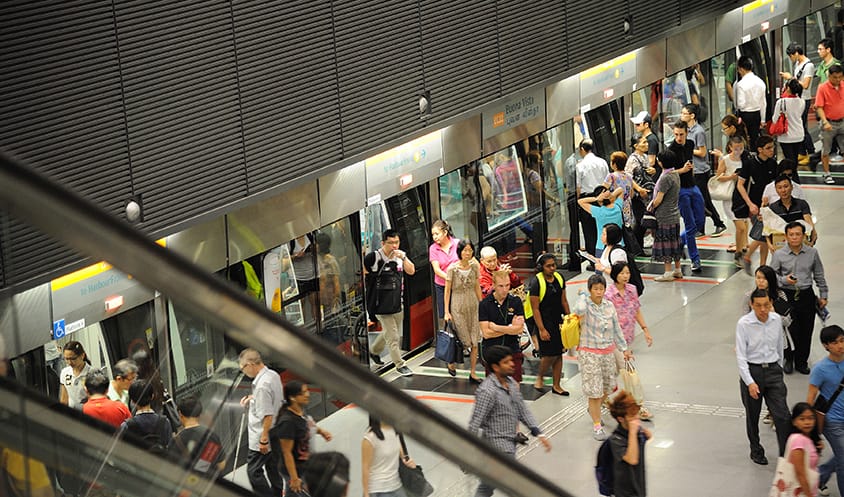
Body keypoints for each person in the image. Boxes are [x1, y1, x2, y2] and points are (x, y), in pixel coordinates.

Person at [468, 345, 551, 497]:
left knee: (487, 486)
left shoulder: (511, 384)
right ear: (495, 367)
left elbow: (522, 410)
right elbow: (475, 422)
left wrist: (538, 433)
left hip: (509, 445)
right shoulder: (487, 391)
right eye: (506, 362)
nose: (512, 364)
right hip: (496, 449)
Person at [735, 289, 791, 465]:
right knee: (753, 415)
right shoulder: (744, 324)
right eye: (758, 306)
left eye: (766, 305)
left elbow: (780, 346)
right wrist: (750, 382)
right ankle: (756, 450)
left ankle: (785, 454)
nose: (763, 309)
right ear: (752, 305)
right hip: (753, 372)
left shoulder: (775, 320)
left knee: (782, 415)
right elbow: (741, 357)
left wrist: (779, 370)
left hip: (773, 371)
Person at [573, 274, 631, 440]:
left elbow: (616, 329)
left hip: (607, 352)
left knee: (608, 387)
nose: (599, 292)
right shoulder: (585, 304)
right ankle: (597, 425)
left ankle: (593, 409)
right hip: (589, 352)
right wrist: (583, 296)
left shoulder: (609, 306)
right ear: (590, 290)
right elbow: (579, 311)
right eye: (595, 289)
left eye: (601, 289)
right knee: (595, 391)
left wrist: (624, 348)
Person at [770, 222, 829, 375]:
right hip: (786, 295)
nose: (795, 237)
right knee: (789, 329)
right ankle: (788, 359)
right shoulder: (779, 255)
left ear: (804, 236)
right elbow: (771, 276)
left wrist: (823, 295)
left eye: (798, 234)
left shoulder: (812, 253)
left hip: (806, 295)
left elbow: (819, 275)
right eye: (791, 235)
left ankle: (801, 361)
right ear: (786, 237)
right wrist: (784, 280)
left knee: (806, 328)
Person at [365, 229, 416, 375]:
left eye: (396, 242)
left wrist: (404, 257)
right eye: (391, 243)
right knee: (393, 336)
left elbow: (411, 271)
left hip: (397, 302)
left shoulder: (400, 257)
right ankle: (400, 365)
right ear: (383, 243)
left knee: (389, 332)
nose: (394, 246)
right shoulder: (373, 257)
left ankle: (374, 351)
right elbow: (364, 274)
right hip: (380, 304)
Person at [606, 262, 653, 419]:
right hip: (614, 342)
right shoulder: (609, 295)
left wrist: (645, 329)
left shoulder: (632, 290)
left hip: (627, 338)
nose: (625, 276)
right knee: (629, 374)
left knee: (614, 374)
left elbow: (636, 310)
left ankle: (601, 400)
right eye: (622, 273)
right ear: (615, 275)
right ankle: (638, 407)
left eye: (627, 273)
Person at [270, 381, 333, 497]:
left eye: (307, 391)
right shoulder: (287, 422)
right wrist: (294, 478)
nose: (308, 394)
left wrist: (321, 432)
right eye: (303, 392)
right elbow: (287, 452)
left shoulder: (300, 412)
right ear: (293, 398)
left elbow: (306, 425)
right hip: (295, 470)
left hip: (305, 467)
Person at [238, 348, 284, 497]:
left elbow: (267, 415)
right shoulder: (272, 375)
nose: (244, 372)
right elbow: (271, 400)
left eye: (242, 368)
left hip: (262, 436)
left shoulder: (262, 386)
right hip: (277, 430)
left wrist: (263, 439)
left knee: (253, 472)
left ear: (250, 364)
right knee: (273, 467)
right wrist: (253, 397)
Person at [526, 254, 570, 396]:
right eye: (548, 266)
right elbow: (535, 309)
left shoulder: (559, 278)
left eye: (554, 265)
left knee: (559, 353)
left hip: (557, 319)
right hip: (544, 321)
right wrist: (541, 329)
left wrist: (569, 318)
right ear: (541, 267)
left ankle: (557, 385)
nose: (552, 268)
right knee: (549, 355)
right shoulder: (536, 283)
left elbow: (564, 300)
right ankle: (541, 376)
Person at [682, 103, 727, 237]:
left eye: (684, 113)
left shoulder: (699, 131)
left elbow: (702, 153)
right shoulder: (687, 130)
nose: (682, 115)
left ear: (692, 116)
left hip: (700, 171)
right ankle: (711, 224)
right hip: (692, 170)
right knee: (701, 199)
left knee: (702, 200)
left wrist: (688, 149)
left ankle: (712, 225)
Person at [808, 325, 844, 496]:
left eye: (842, 340)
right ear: (826, 345)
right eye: (835, 342)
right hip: (832, 420)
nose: (841, 346)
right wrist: (810, 429)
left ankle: (821, 476)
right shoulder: (820, 369)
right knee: (843, 460)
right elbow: (811, 397)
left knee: (842, 455)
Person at [443, 239, 484, 382]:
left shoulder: (474, 267)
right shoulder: (452, 269)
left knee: (474, 341)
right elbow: (447, 291)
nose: (468, 253)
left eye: (470, 250)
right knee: (462, 339)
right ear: (459, 251)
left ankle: (472, 372)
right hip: (458, 306)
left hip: (473, 305)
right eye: (465, 250)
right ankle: (451, 362)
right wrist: (447, 312)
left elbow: (477, 286)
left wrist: (482, 304)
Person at [737, 135, 779, 271]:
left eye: (772, 147)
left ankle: (761, 265)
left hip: (770, 205)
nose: (771, 150)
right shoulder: (750, 163)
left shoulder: (773, 163)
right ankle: (751, 259)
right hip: (755, 205)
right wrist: (750, 204)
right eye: (768, 148)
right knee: (763, 234)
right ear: (760, 150)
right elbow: (740, 185)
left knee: (765, 236)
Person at [668, 120, 705, 272]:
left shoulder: (690, 144)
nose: (679, 137)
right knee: (690, 225)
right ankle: (695, 259)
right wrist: (682, 170)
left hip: (692, 185)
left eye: (681, 134)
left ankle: (680, 241)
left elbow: (690, 161)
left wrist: (690, 170)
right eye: (676, 134)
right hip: (681, 190)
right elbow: (668, 173)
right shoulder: (670, 150)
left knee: (700, 221)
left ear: (687, 133)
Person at [742, 265, 793, 372]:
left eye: (764, 278)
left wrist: (774, 314)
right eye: (758, 277)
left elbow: (787, 322)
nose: (760, 281)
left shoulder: (780, 296)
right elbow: (744, 321)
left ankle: (788, 359)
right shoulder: (749, 296)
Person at [479, 270, 527, 382]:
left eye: (507, 285)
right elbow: (486, 334)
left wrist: (496, 327)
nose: (505, 289)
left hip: (512, 349)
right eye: (501, 286)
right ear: (494, 285)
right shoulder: (485, 304)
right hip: (492, 351)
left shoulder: (515, 302)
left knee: (515, 385)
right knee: (494, 388)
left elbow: (519, 330)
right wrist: (510, 328)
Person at [607, 390, 652, 497]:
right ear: (621, 419)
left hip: (638, 485)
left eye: (636, 414)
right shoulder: (616, 439)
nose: (636, 418)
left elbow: (648, 436)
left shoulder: (636, 432)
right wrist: (633, 431)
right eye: (632, 416)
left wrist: (639, 430)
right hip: (624, 491)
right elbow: (632, 459)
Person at [170, 395, 227, 475]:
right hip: (209, 483)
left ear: (180, 413)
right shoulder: (211, 435)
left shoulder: (176, 440)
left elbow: (172, 470)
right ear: (199, 413)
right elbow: (221, 465)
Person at [649, 150, 684, 281]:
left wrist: (651, 207)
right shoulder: (675, 174)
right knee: (675, 242)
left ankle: (668, 272)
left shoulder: (665, 178)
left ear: (661, 162)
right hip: (674, 214)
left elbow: (658, 199)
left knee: (666, 244)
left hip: (664, 215)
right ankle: (678, 269)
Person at [775, 403, 821, 497]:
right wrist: (809, 495)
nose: (807, 422)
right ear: (794, 422)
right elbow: (800, 474)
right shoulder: (799, 441)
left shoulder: (805, 439)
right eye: (802, 419)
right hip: (800, 491)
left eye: (811, 418)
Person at [361, 416, 415, 497]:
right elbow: (365, 467)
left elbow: (402, 455)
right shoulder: (370, 438)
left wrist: (409, 462)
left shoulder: (395, 431)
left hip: (396, 485)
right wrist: (366, 493)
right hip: (378, 489)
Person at [780, 43, 816, 163]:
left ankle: (810, 152)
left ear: (796, 53)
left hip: (804, 99)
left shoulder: (808, 66)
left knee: (802, 127)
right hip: (797, 98)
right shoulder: (798, 64)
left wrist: (790, 78)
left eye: (791, 56)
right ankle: (802, 152)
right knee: (798, 125)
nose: (791, 59)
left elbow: (805, 85)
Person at [577, 139, 611, 260]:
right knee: (602, 228)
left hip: (587, 198)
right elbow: (608, 181)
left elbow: (578, 187)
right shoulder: (602, 162)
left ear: (582, 149)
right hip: (602, 196)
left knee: (589, 230)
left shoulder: (580, 165)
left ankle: (593, 259)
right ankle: (604, 255)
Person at [715, 135, 745, 263]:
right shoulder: (726, 160)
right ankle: (738, 253)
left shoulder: (745, 159)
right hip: (729, 196)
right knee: (741, 226)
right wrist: (731, 177)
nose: (738, 151)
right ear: (730, 148)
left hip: (742, 195)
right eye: (736, 148)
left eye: (741, 148)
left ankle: (742, 246)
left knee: (744, 223)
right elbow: (718, 177)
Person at [120, 379, 173, 453]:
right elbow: (170, 449)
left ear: (132, 401)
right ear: (152, 396)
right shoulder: (165, 422)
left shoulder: (126, 426)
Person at [626, 135, 660, 249]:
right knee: (641, 221)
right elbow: (628, 177)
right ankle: (636, 247)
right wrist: (639, 189)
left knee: (645, 221)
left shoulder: (645, 157)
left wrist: (653, 171)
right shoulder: (632, 159)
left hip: (647, 194)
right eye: (643, 143)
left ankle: (637, 247)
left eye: (647, 142)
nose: (647, 145)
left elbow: (647, 174)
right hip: (637, 195)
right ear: (636, 146)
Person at [603, 151, 647, 236]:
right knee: (625, 230)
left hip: (614, 206)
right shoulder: (629, 177)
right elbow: (631, 194)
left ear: (614, 164)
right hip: (627, 207)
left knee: (614, 230)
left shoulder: (611, 176)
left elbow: (603, 190)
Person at [766, 175, 817, 248]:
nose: (783, 190)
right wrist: (769, 244)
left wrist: (813, 234)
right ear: (776, 190)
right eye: (779, 188)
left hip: (801, 245)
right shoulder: (773, 208)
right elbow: (768, 228)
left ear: (792, 187)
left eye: (786, 186)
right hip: (781, 245)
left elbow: (808, 220)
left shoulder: (802, 204)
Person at [815, 63, 844, 184]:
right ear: (829, 76)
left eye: (840, 77)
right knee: (826, 150)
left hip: (842, 122)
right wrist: (825, 122)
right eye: (835, 77)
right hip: (828, 123)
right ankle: (827, 173)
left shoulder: (843, 85)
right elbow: (819, 107)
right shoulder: (822, 88)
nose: (838, 80)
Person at [577, 186, 624, 259]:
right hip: (619, 245)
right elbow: (620, 190)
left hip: (601, 246)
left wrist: (597, 198)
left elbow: (580, 201)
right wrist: (610, 196)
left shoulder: (598, 212)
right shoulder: (618, 207)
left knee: (601, 268)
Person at [429, 219, 459, 330]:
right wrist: (449, 278)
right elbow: (436, 270)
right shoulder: (433, 249)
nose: (435, 237)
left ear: (445, 232)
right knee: (445, 315)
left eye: (437, 234)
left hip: (458, 285)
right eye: (433, 235)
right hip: (442, 285)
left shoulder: (457, 244)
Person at [734, 55, 767, 149]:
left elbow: (741, 104)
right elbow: (763, 103)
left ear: (741, 69)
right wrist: (763, 119)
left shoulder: (740, 84)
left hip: (745, 115)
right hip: (757, 114)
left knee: (744, 138)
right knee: (754, 138)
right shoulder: (760, 82)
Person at [772, 78, 806, 165]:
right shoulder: (802, 101)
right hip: (799, 134)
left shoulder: (781, 102)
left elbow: (774, 119)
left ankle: (793, 177)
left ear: (788, 88)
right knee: (794, 158)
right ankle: (794, 176)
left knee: (789, 159)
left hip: (786, 136)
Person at [60, 341, 92, 409]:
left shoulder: (92, 373)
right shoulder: (65, 372)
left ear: (82, 356)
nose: (69, 362)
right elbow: (64, 398)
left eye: (73, 359)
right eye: (66, 359)